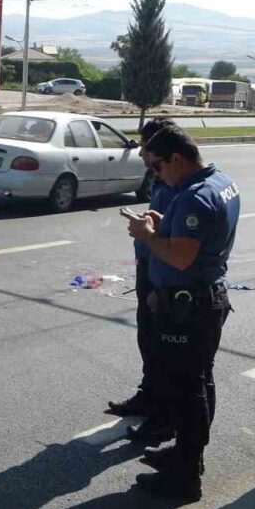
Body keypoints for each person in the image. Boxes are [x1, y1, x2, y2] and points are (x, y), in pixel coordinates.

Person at [124, 126, 239, 501]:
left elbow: (181, 257)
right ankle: (188, 457)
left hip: (189, 305)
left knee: (186, 391)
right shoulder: (220, 182)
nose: (155, 175)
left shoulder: (194, 197)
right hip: (204, 297)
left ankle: (186, 475)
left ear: (177, 159)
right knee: (198, 383)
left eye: (157, 166)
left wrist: (146, 234)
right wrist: (163, 225)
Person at [107, 118, 179, 445]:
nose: (141, 154)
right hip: (149, 263)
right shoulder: (161, 178)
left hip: (163, 270)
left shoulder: (177, 182)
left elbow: (176, 238)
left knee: (162, 344)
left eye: (146, 148)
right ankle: (149, 394)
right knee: (148, 337)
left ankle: (164, 415)